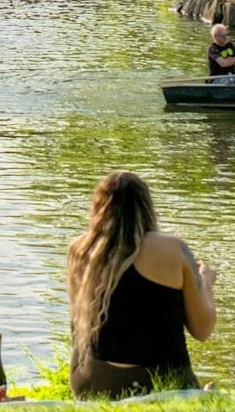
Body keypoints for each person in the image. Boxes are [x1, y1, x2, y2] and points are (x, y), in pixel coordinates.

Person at [67, 171, 215, 398]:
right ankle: (201, 395)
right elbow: (202, 330)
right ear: (147, 208)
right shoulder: (173, 248)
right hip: (162, 380)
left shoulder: (80, 249)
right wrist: (205, 282)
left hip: (93, 382)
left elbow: (77, 327)